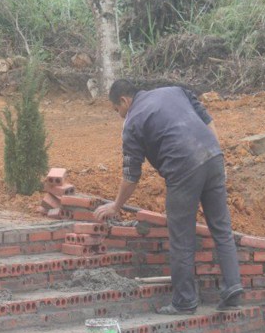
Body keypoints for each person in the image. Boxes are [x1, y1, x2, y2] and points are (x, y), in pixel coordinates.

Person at [94, 79, 243, 315]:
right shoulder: (175, 91)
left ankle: (184, 301)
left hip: (183, 168)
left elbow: (131, 175)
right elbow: (207, 119)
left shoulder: (132, 122)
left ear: (124, 100)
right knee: (221, 227)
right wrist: (216, 152)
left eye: (116, 110)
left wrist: (116, 205)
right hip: (214, 158)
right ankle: (233, 287)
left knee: (181, 237)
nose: (119, 115)